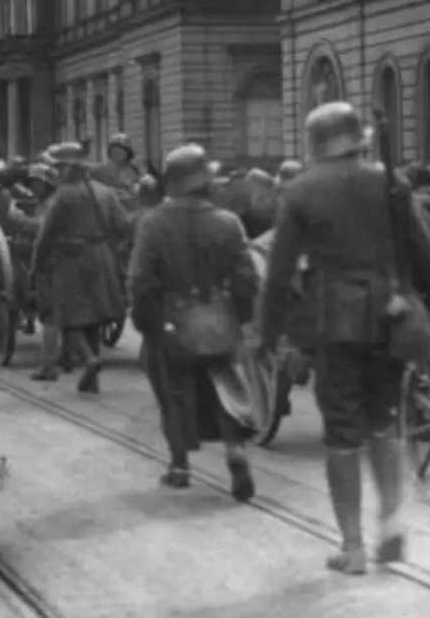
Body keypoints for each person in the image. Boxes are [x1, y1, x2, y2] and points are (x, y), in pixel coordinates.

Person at [259, 103, 430, 574]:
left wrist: (267, 333)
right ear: (357, 139)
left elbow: (279, 273)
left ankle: (353, 547)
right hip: (391, 316)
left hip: (334, 321)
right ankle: (390, 528)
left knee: (342, 432)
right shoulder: (391, 181)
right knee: (383, 421)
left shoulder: (302, 189)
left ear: (315, 143)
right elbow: (427, 256)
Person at [128, 145, 259, 499]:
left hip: (171, 320)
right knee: (226, 383)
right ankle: (235, 450)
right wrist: (238, 316)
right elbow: (247, 279)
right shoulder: (227, 222)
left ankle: (180, 465)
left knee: (172, 390)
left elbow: (140, 279)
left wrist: (147, 323)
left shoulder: (152, 222)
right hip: (217, 316)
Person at [30, 142, 131, 393]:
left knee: (67, 317)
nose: (58, 172)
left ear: (68, 168)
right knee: (94, 318)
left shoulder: (64, 196)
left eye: (59, 167)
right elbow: (123, 226)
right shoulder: (106, 192)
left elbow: (46, 235)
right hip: (102, 258)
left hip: (71, 260)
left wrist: (36, 266)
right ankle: (92, 381)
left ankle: (89, 358)